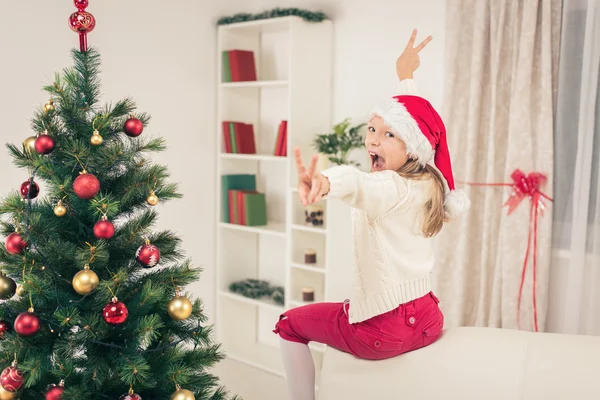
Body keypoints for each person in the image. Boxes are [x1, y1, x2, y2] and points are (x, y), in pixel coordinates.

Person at [272, 29, 470, 400]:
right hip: (428, 319)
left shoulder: (389, 187)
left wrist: (324, 182)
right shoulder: (430, 183)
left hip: (383, 332)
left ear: (412, 148)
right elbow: (420, 125)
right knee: (346, 306)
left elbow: (359, 183)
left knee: (289, 324)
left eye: (388, 135)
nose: (373, 141)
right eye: (372, 129)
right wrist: (405, 75)